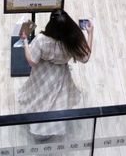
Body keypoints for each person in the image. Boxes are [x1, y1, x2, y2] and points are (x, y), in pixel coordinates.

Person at [17, 10, 93, 140]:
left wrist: (24, 41)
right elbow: (85, 57)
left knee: (36, 96)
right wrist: (90, 33)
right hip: (60, 75)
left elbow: (32, 61)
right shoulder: (71, 42)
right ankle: (48, 130)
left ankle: (33, 120)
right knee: (55, 102)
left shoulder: (41, 40)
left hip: (41, 73)